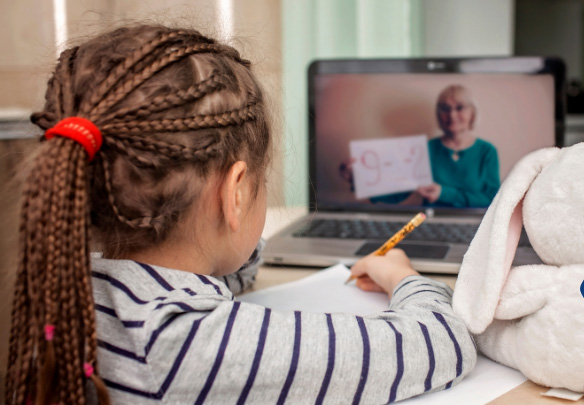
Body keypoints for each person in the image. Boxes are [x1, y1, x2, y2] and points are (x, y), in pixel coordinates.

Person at [5, 25, 476, 404]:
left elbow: (225, 274)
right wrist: (403, 277)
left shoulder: (68, 283)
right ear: (234, 194)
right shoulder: (192, 346)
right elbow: (443, 343)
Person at [341, 85, 500, 208]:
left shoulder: (487, 151)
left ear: (472, 113)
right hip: (429, 223)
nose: (452, 115)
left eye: (459, 107)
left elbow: (493, 201)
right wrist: (360, 179)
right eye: (445, 108)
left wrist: (444, 193)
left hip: (476, 226)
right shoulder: (424, 149)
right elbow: (398, 193)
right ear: (439, 114)